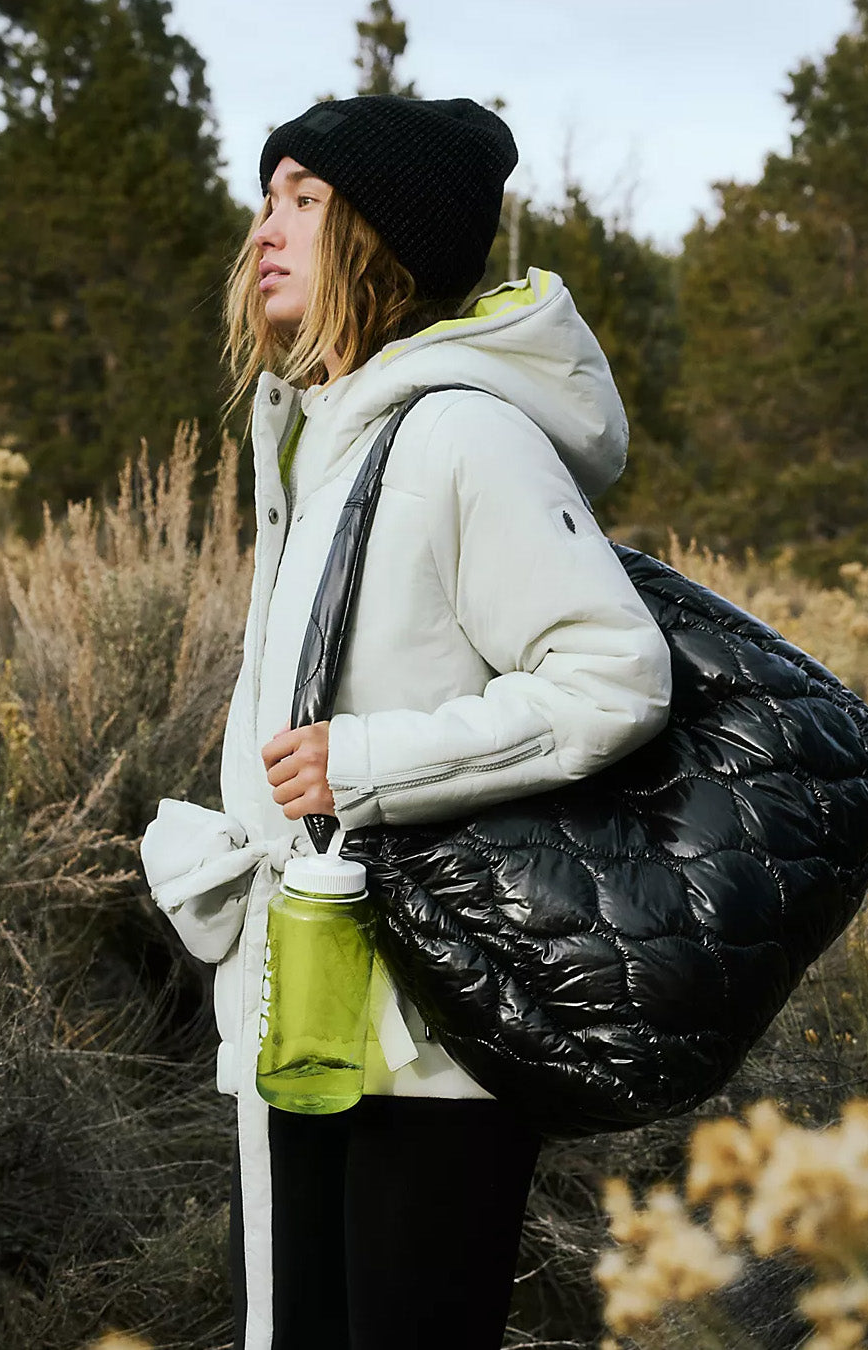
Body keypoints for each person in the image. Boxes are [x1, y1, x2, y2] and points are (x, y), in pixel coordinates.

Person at [140, 94, 672, 1350]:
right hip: (308, 1003)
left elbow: (613, 674)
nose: (266, 228)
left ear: (380, 239)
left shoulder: (462, 436)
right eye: (267, 196)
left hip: (432, 1025)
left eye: (305, 200)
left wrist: (364, 764)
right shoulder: (321, 442)